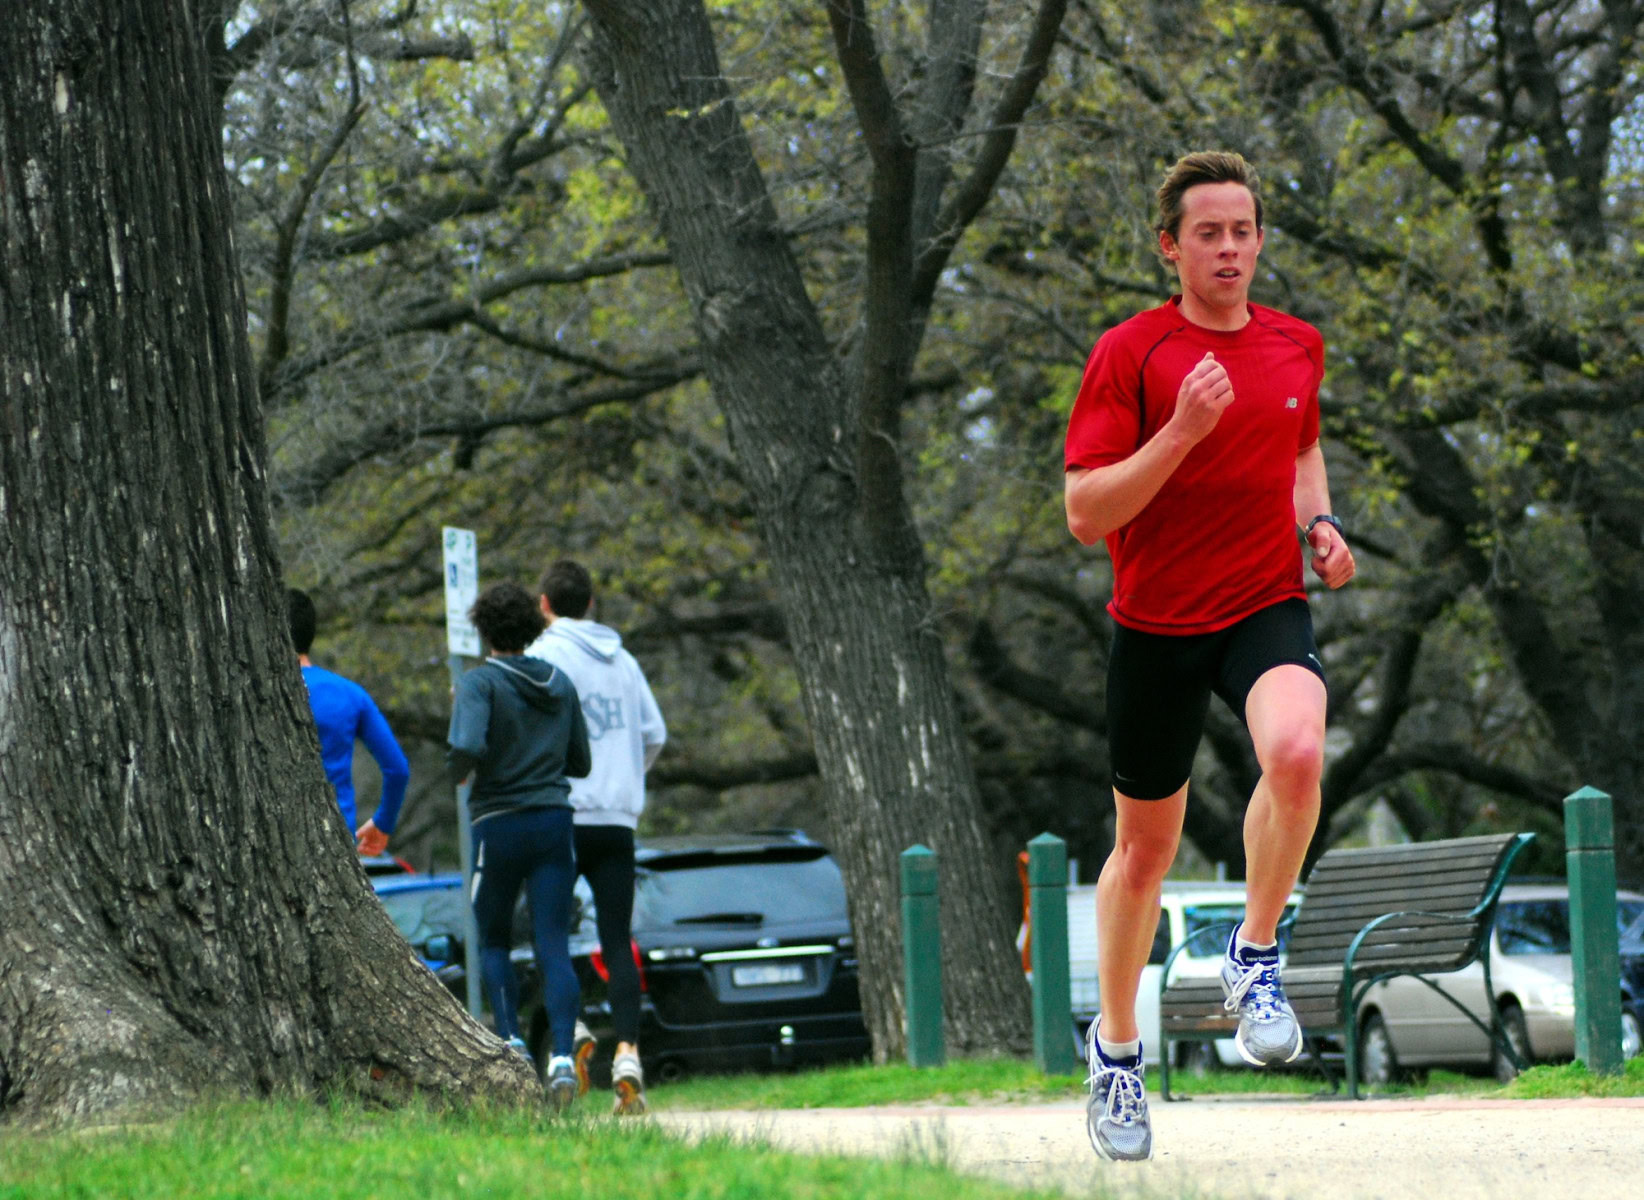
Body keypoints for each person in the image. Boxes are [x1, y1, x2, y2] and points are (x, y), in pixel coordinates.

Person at [1062, 151, 1356, 1162]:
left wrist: (1318, 527)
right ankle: (1116, 1053)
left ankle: (1255, 954)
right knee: (1143, 854)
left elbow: (1301, 448)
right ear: (1170, 247)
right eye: (1207, 234)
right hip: (1155, 626)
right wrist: (1181, 432)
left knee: (1300, 754)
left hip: (1263, 602)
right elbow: (1083, 510)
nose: (1228, 249)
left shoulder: (1296, 346)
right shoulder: (1132, 354)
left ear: (1261, 239)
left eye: (1242, 232)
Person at [526, 559, 667, 1116]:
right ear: (589, 603)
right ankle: (628, 1053)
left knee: (550, 934)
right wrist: (628, 774)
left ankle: (574, 1028)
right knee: (616, 939)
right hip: (617, 818)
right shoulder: (626, 661)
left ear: (545, 605)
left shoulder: (544, 656)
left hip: (565, 814)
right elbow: (655, 733)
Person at [447, 581, 592, 1111]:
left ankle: (511, 1050)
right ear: (534, 627)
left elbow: (466, 746)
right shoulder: (560, 681)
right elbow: (581, 763)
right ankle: (560, 1058)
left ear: (483, 628)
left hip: (499, 823)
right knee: (553, 939)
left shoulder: (479, 682)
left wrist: (458, 772)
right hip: (555, 822)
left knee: (492, 938)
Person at [288, 587, 410, 857]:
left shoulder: (250, 695)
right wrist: (383, 822)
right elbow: (397, 769)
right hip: (335, 839)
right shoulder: (350, 694)